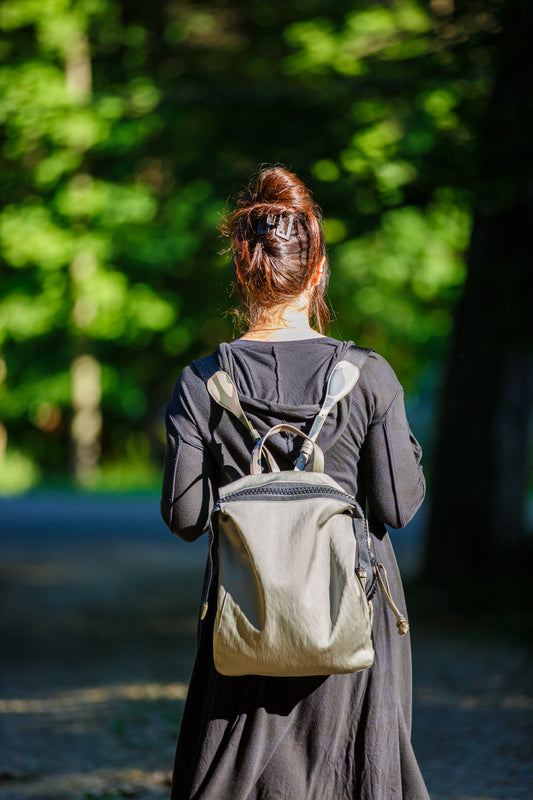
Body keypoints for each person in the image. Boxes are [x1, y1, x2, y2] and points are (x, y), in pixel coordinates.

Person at [161, 166, 430, 800]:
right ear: (317, 272)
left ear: (242, 271)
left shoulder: (202, 383)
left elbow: (186, 516)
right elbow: (399, 504)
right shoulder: (368, 376)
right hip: (350, 622)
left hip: (247, 616)